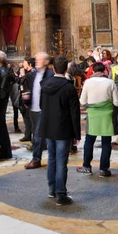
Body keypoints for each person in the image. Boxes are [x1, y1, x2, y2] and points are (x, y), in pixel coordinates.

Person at [39, 55, 81, 206]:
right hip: (63, 128)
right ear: (66, 69)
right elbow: (74, 113)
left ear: (53, 68)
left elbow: (42, 105)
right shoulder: (69, 87)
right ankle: (61, 194)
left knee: (52, 158)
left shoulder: (44, 84)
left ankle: (52, 189)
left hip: (49, 127)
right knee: (61, 162)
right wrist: (76, 134)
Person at [77, 62, 118, 177]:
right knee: (106, 142)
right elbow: (117, 102)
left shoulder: (88, 82)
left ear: (93, 70)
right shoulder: (110, 82)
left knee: (89, 141)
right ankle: (103, 169)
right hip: (106, 115)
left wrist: (91, 105)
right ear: (104, 71)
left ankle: (86, 166)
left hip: (92, 115)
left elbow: (82, 101)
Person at [24, 52, 54, 169]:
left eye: (40, 60)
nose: (37, 61)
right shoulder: (32, 74)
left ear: (46, 62)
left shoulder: (50, 75)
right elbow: (29, 89)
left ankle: (36, 159)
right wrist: (27, 99)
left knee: (37, 135)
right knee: (39, 135)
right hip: (33, 108)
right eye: (36, 59)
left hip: (44, 108)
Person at [0, 50, 15, 161]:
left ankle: (6, 151)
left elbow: (2, 91)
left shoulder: (3, 72)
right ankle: (4, 149)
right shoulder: (0, 70)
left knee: (0, 127)